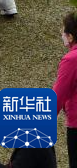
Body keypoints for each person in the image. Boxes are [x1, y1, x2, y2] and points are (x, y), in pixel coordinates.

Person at [55, 13, 77, 165]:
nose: (61, 32)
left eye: (63, 30)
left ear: (70, 37)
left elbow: (57, 97)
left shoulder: (71, 60)